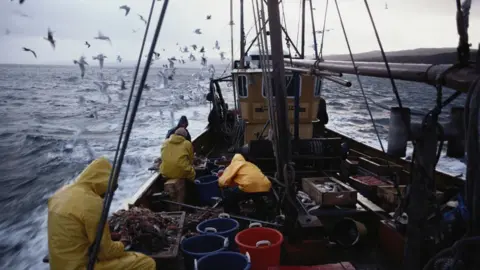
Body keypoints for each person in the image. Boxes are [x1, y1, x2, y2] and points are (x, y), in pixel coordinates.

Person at [47, 157, 155, 270]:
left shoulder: (61, 193)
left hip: (58, 265)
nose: (105, 195)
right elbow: (107, 253)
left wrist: (109, 236)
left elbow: (76, 233)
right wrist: (123, 243)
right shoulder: (91, 202)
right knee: (146, 262)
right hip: (81, 267)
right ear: (103, 182)